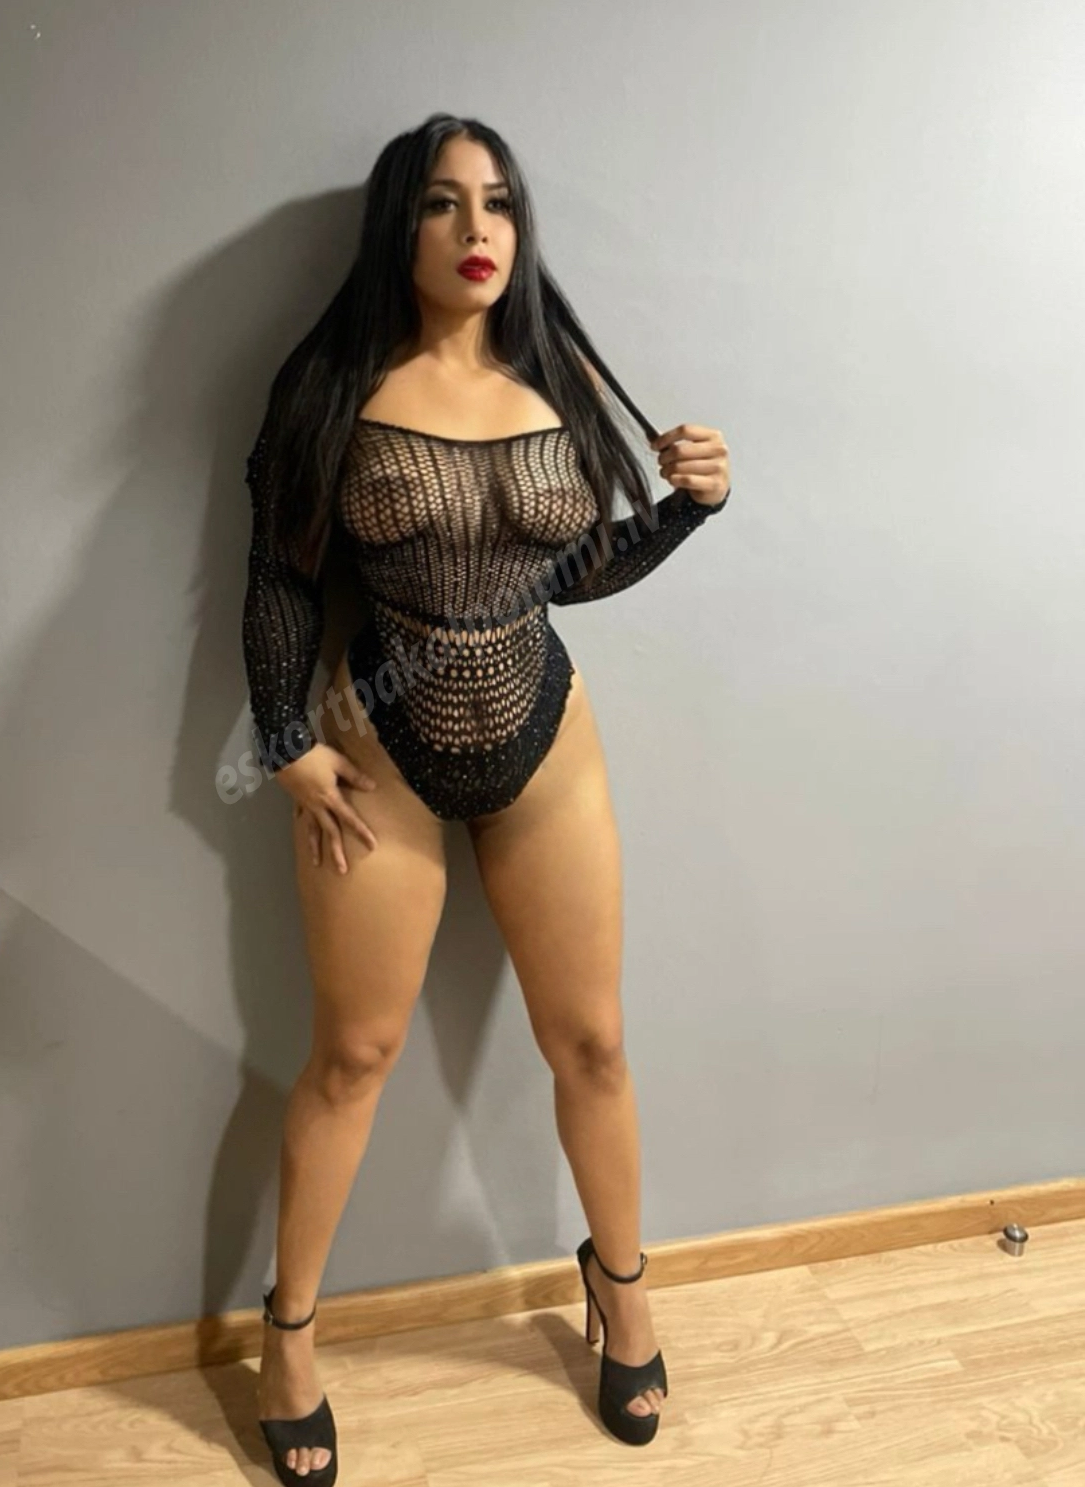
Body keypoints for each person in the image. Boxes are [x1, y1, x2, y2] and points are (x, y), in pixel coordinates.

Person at [241, 113, 731, 1484]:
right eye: (443, 204)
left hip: (546, 741)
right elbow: (280, 574)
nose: (476, 231)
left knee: (594, 1043)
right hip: (376, 753)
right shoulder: (328, 385)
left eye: (499, 203)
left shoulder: (556, 372)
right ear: (397, 225)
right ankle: (287, 1334)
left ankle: (620, 1288)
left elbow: (566, 573)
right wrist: (283, 738)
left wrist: (686, 509)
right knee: (353, 1055)